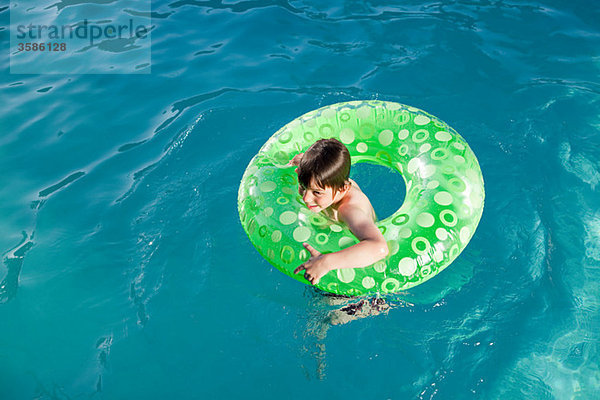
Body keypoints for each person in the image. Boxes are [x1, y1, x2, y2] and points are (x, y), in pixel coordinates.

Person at [288, 138, 389, 286]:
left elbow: (379, 247)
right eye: (303, 186)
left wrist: (325, 263)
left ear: (342, 189)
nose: (306, 198)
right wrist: (303, 161)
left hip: (360, 279)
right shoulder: (326, 180)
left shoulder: (349, 210)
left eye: (316, 193)